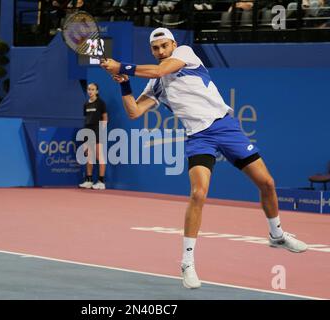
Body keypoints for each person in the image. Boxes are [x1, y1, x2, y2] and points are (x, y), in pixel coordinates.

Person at [100, 27, 307, 289]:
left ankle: (276, 235)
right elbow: (134, 112)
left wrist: (122, 66)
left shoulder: (185, 54)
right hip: (199, 138)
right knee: (198, 193)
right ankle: (187, 262)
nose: (161, 51)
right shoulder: (155, 85)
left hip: (226, 128)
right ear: (151, 50)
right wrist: (125, 84)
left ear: (173, 45)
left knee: (267, 182)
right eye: (156, 48)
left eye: (165, 46)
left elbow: (160, 70)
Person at [78, 83, 108, 190]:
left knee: (99, 156)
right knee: (89, 156)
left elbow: (105, 118)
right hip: (88, 131)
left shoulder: (100, 103)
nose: (90, 91)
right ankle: (89, 180)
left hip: (98, 130)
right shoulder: (86, 104)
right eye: (89, 89)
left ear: (97, 91)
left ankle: (101, 181)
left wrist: (102, 131)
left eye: (93, 89)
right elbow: (86, 119)